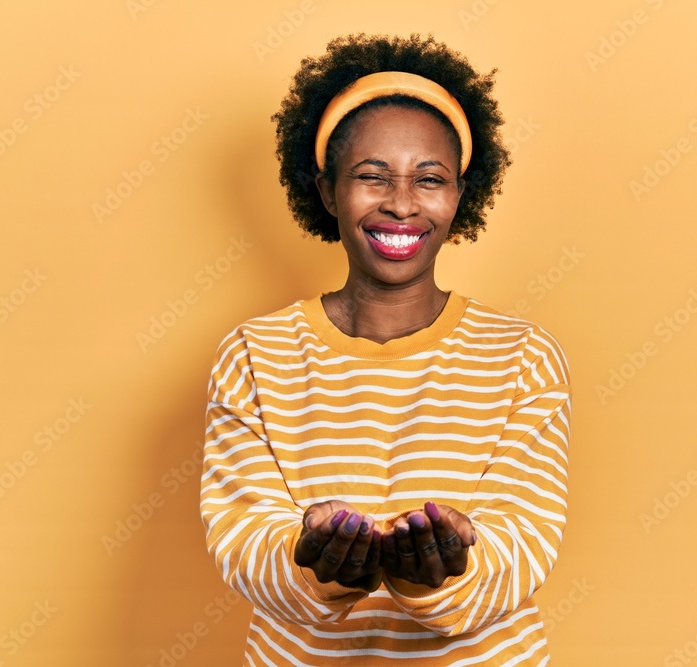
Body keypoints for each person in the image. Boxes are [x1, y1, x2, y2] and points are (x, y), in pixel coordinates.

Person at [200, 33, 571, 665]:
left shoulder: (524, 357)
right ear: (327, 191)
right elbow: (242, 541)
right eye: (372, 177)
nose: (401, 203)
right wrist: (318, 566)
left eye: (430, 179)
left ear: (460, 195)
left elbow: (525, 547)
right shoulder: (253, 355)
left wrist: (441, 575)